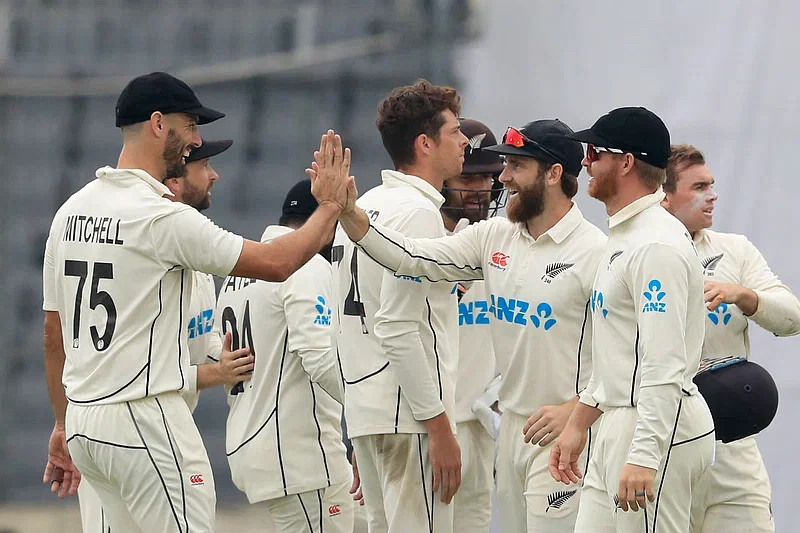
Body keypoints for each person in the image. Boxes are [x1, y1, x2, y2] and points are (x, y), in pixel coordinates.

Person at [41, 71, 350, 533]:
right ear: (159, 123)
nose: (196, 140)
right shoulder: (159, 214)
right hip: (144, 417)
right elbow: (276, 262)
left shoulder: (71, 211)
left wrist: (63, 424)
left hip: (85, 420)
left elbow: (54, 334)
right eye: (191, 126)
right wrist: (328, 207)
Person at [318, 118, 607, 533]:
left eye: (515, 167)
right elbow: (411, 257)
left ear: (554, 174)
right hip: (512, 430)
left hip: (563, 434)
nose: (502, 178)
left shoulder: (594, 251)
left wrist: (578, 412)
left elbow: (628, 348)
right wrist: (350, 215)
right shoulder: (495, 236)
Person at [74, 137, 256, 532]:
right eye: (203, 165)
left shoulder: (195, 264)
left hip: (103, 428)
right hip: (139, 426)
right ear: (174, 181)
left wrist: (218, 362)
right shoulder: (150, 258)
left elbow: (195, 349)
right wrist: (329, 209)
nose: (214, 175)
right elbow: (144, 368)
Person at [550, 107, 716, 533]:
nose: (585, 160)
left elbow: (663, 363)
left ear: (625, 162)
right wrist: (579, 423)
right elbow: (619, 353)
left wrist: (644, 454)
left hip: (656, 427)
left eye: (595, 152)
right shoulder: (626, 234)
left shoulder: (655, 244)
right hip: (620, 421)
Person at [323, 79, 466, 533]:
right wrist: (439, 428)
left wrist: (364, 422)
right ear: (425, 144)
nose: (465, 142)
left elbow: (341, 327)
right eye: (455, 132)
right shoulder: (419, 213)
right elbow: (398, 326)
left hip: (371, 413)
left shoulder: (362, 208)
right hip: (412, 418)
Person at [661, 144, 800, 533]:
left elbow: (792, 319)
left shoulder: (733, 250)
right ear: (664, 196)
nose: (712, 194)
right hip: (663, 450)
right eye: (699, 186)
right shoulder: (631, 254)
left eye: (712, 184)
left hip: (732, 448)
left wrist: (744, 295)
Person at [217, 178, 355, 533]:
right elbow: (317, 357)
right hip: (299, 458)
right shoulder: (306, 264)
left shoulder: (245, 269)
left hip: (258, 442)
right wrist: (370, 413)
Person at [440, 118, 503, 533]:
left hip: (479, 429)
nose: (479, 189)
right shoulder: (417, 240)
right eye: (468, 177)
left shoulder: (503, 242)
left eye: (488, 178)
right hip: (426, 424)